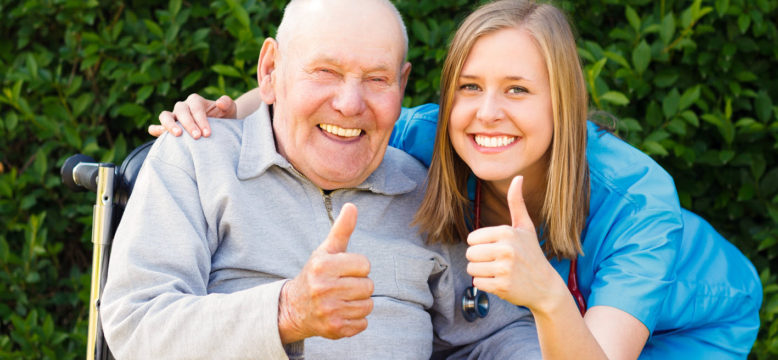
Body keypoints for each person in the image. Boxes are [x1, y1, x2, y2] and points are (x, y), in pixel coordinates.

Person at [156, 0, 762, 359]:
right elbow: (324, 108)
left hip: (684, 319)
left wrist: (546, 293)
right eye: (470, 88)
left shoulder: (638, 201)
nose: (487, 113)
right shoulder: (428, 135)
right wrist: (224, 111)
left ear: (566, 102)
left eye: (518, 91)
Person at [106, 0, 544, 359]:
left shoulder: (422, 190)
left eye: (376, 79)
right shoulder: (198, 160)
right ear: (270, 70)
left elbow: (493, 336)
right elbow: (136, 325)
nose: (350, 104)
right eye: (325, 72)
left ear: (402, 84)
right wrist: (286, 312)